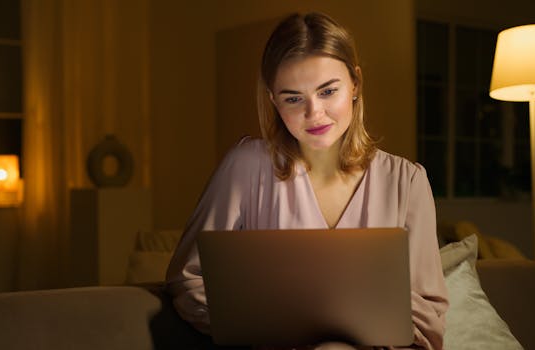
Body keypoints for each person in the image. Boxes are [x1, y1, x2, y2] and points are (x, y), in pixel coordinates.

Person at [166, 12, 448, 350]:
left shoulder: (407, 182)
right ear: (273, 99)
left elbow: (428, 318)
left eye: (328, 91)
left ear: (355, 83)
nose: (314, 113)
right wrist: (261, 331)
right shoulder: (245, 167)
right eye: (293, 98)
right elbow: (188, 279)